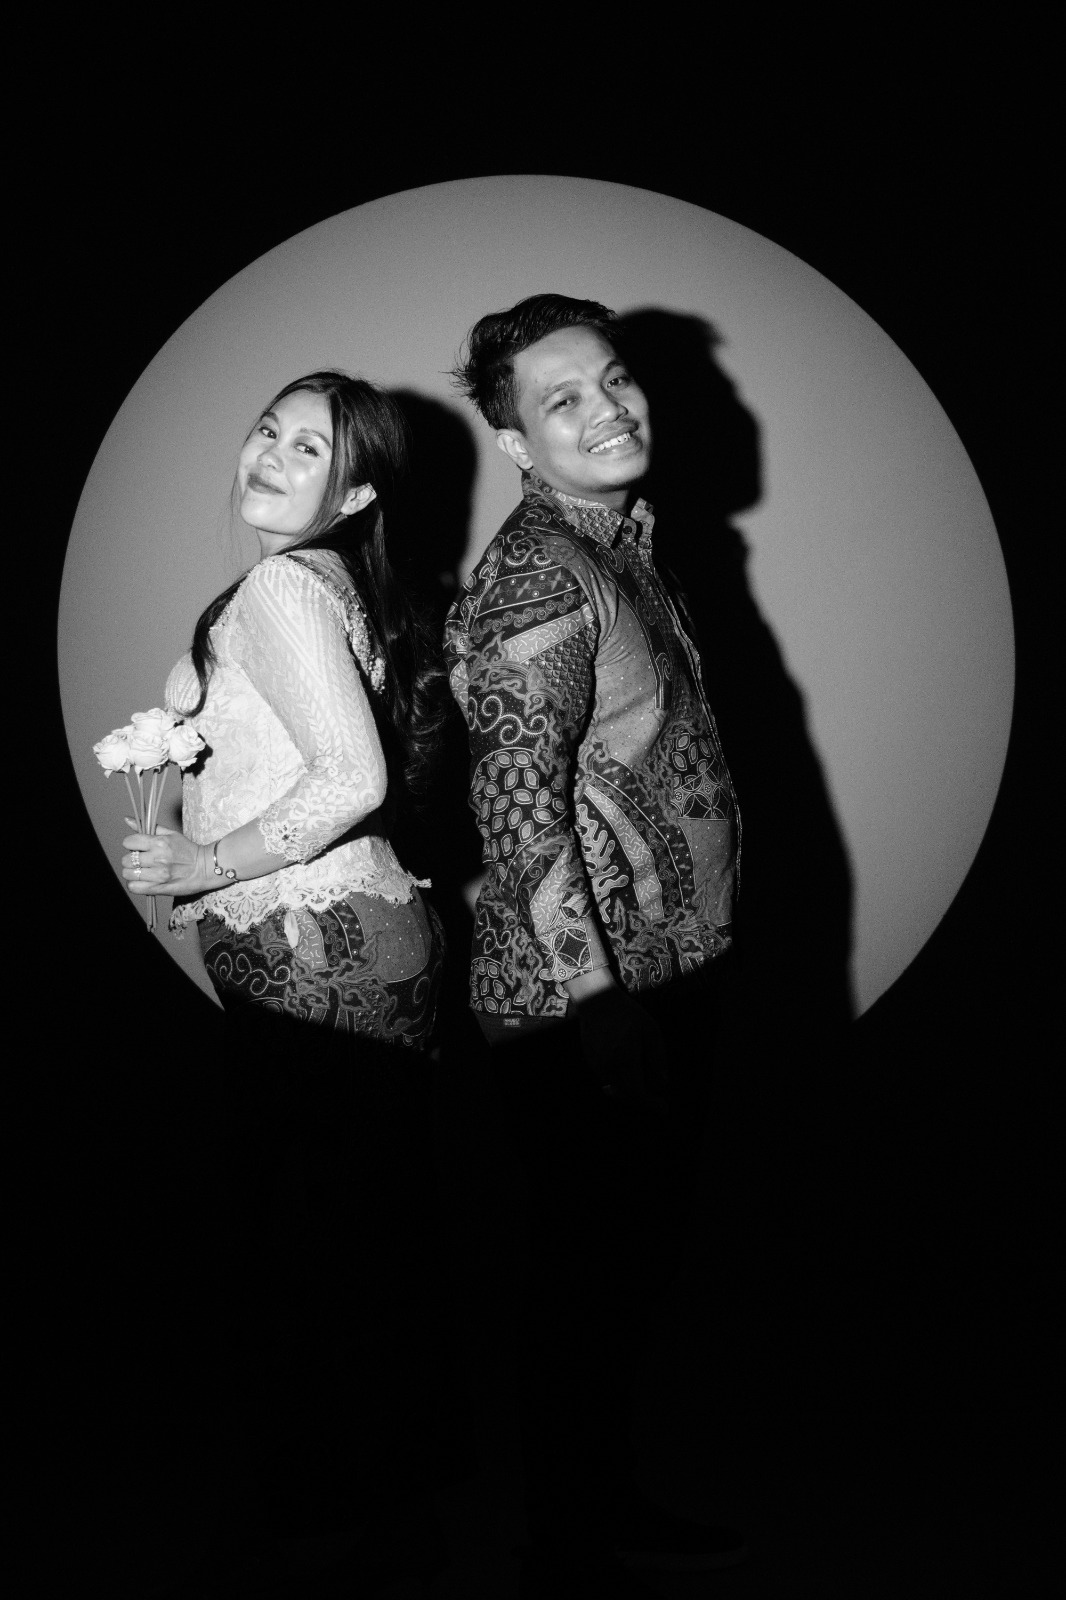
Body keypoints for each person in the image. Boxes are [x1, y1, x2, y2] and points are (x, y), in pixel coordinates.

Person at [119, 370, 453, 1589]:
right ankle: (381, 1510)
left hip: (327, 956)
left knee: (306, 1254)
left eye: (308, 447)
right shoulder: (324, 585)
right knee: (354, 1243)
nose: (269, 452)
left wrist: (206, 861)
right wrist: (182, 821)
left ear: (352, 492)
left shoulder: (281, 585)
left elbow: (354, 779)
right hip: (346, 949)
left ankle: (325, 1519)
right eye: (268, 428)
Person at [445, 295, 747, 1589]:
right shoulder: (537, 575)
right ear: (516, 441)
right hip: (584, 999)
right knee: (582, 1283)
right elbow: (515, 809)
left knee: (624, 1276)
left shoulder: (616, 540)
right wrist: (595, 1004)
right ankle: (563, 1543)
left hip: (654, 977)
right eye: (561, 399)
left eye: (614, 379)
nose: (607, 409)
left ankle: (599, 1502)